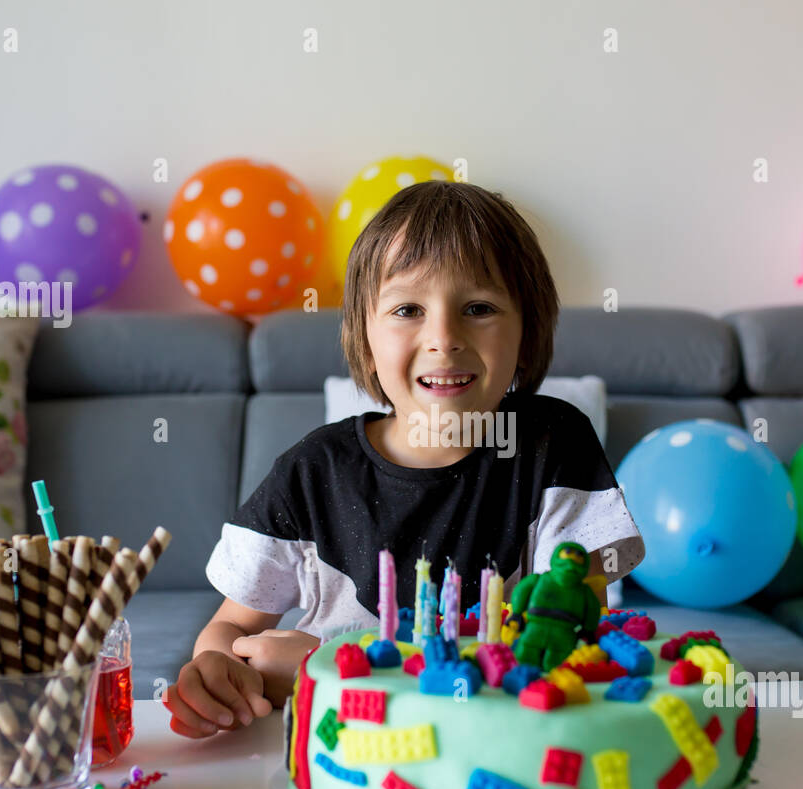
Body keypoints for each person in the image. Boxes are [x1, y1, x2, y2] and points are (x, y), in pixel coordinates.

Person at [163, 180, 643, 739]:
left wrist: (329, 667)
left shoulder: (554, 445)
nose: (444, 337)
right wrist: (218, 674)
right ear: (364, 337)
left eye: (479, 307)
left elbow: (569, 636)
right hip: (339, 754)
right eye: (408, 308)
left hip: (495, 743)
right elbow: (231, 627)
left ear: (528, 329)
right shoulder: (313, 470)